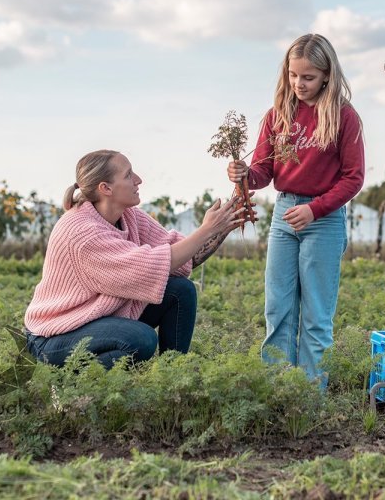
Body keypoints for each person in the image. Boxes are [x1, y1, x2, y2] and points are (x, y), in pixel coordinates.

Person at [24, 149, 244, 369]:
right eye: (128, 175)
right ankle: (62, 382)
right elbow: (152, 267)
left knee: (181, 290)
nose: (138, 180)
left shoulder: (128, 215)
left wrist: (223, 225)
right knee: (141, 340)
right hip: (55, 336)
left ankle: (174, 375)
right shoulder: (82, 234)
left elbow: (184, 256)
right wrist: (206, 229)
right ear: (105, 188)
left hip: (98, 318)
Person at [227, 34, 364, 385]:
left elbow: (353, 178)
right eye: (293, 75)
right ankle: (278, 389)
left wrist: (315, 210)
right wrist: (244, 175)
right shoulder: (278, 115)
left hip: (324, 220)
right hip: (284, 214)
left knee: (316, 316)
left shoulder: (343, 117)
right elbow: (263, 171)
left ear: (326, 76)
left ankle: (309, 395)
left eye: (308, 77)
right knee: (278, 309)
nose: (299, 84)